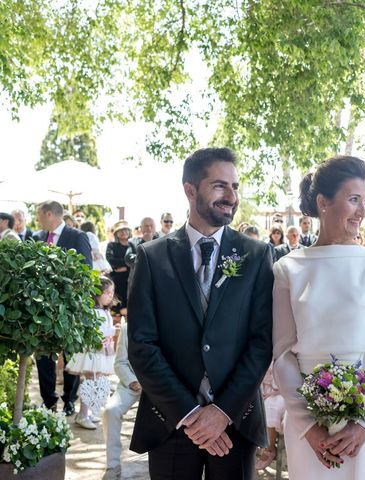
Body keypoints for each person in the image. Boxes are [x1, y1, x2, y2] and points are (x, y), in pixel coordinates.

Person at [127, 147, 274, 479]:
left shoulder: (257, 255)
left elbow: (261, 342)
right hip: (172, 421)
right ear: (190, 190)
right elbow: (141, 345)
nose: (231, 196)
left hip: (235, 421)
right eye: (220, 186)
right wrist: (191, 413)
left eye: (235, 186)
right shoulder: (152, 258)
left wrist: (222, 412)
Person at [273, 155, 365, 478]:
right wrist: (309, 426)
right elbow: (282, 353)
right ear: (323, 202)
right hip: (309, 419)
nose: (363, 211)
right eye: (354, 200)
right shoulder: (287, 268)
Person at [33, 200, 93, 417]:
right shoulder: (37, 238)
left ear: (50, 214)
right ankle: (48, 401)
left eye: (39, 215)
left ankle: (69, 400)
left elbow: (86, 271)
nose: (37, 220)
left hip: (69, 311)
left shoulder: (77, 236)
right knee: (43, 358)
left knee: (70, 357)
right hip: (41, 312)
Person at [67, 276, 117, 429]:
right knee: (91, 381)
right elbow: (97, 331)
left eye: (112, 292)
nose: (110, 295)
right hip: (93, 352)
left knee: (96, 380)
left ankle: (87, 412)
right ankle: (82, 414)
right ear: (97, 293)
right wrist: (114, 330)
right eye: (107, 292)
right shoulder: (94, 311)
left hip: (102, 351)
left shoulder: (104, 311)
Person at [103, 321, 141, 480]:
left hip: (160, 385)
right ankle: (113, 466)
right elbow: (120, 363)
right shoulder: (127, 328)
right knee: (110, 410)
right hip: (132, 384)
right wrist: (133, 382)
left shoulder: (167, 322)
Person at [106, 221, 132, 314]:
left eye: (125, 229)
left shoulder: (134, 245)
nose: (123, 232)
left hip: (131, 280)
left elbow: (138, 260)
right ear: (116, 233)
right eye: (120, 230)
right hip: (117, 282)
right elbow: (111, 261)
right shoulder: (112, 246)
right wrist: (129, 262)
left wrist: (126, 268)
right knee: (117, 310)